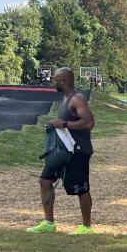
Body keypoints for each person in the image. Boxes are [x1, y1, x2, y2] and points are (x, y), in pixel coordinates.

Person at [28, 67, 96, 235]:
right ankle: (49, 223)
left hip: (77, 151)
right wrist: (54, 125)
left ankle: (86, 227)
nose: (54, 82)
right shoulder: (65, 99)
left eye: (57, 80)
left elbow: (88, 123)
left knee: (82, 189)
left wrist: (65, 124)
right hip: (62, 151)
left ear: (65, 81)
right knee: (45, 181)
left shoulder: (77, 99)